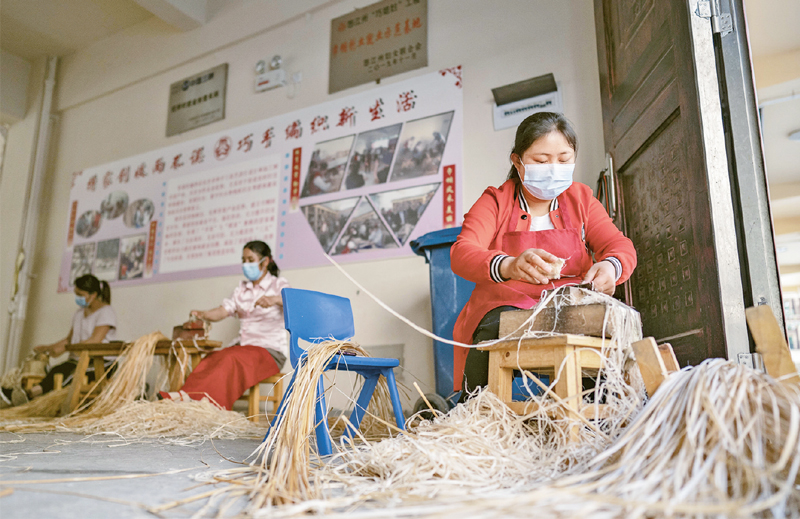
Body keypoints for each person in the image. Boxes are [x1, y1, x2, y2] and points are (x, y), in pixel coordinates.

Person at [450, 112, 637, 398]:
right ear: (518, 162)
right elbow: (462, 252)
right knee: (492, 329)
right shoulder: (496, 201)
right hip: (506, 307)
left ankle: (598, 411)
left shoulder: (581, 199)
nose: (553, 169)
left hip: (571, 305)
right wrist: (508, 265)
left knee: (609, 329)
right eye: (541, 161)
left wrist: (611, 267)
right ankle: (475, 410)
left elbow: (619, 245)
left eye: (564, 160)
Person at [159, 241, 289, 411]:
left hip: (270, 351)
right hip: (245, 349)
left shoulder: (278, 285)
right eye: (244, 260)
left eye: (251, 260)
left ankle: (207, 406)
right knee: (213, 358)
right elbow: (223, 311)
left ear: (265, 262)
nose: (246, 264)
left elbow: (296, 302)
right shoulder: (242, 289)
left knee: (231, 358)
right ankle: (186, 396)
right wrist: (204, 314)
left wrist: (275, 299)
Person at [4, 274, 117, 406]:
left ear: (93, 294)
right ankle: (27, 394)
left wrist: (66, 349)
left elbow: (94, 341)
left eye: (80, 295)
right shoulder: (79, 314)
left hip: (101, 363)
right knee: (56, 370)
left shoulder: (106, 312)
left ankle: (30, 395)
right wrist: (48, 348)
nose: (77, 298)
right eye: (76, 294)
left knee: (69, 375)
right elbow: (69, 340)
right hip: (79, 360)